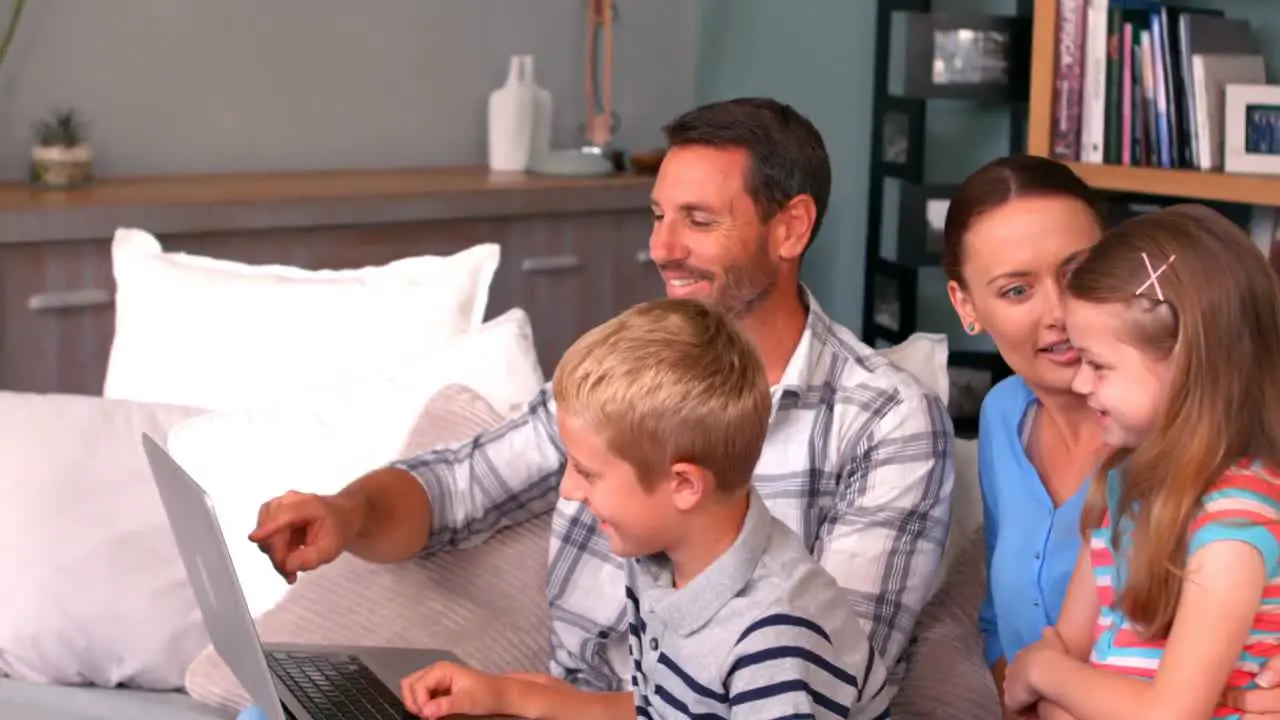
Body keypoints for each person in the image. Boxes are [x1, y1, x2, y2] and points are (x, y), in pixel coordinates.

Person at [248, 97, 954, 704]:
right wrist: (346, 512)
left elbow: (836, 685)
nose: (662, 248)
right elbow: (460, 486)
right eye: (658, 216)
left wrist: (529, 705)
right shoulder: (629, 371)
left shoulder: (886, 422)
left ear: (791, 228)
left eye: (699, 221)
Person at [397, 297, 891, 719]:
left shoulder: (772, 641)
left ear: (683, 486)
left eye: (587, 472)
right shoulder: (665, 560)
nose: (568, 491)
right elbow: (656, 709)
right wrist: (504, 695)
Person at [1000, 204, 1280, 719]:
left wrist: (1046, 674)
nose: (1081, 384)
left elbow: (1165, 714)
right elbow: (1065, 655)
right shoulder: (1120, 485)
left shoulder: (1235, 520)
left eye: (1098, 365)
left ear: (1189, 364)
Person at [941, 154, 1108, 712]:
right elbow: (996, 618)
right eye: (1017, 290)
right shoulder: (1001, 416)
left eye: (1079, 273)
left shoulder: (1183, 427)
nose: (1059, 313)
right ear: (967, 305)